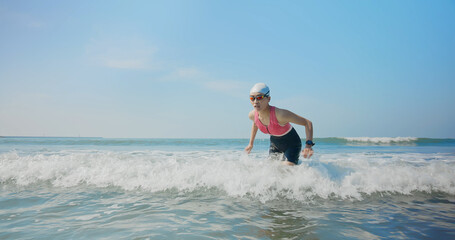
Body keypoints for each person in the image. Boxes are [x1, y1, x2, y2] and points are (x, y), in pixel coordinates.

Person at [244, 83, 314, 165]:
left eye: (259, 97)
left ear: (268, 99)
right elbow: (256, 124)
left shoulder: (280, 115)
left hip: (292, 143)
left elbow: (307, 123)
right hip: (275, 144)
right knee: (272, 168)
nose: (255, 101)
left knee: (287, 168)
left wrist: (308, 146)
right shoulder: (252, 115)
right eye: (252, 98)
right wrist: (251, 143)